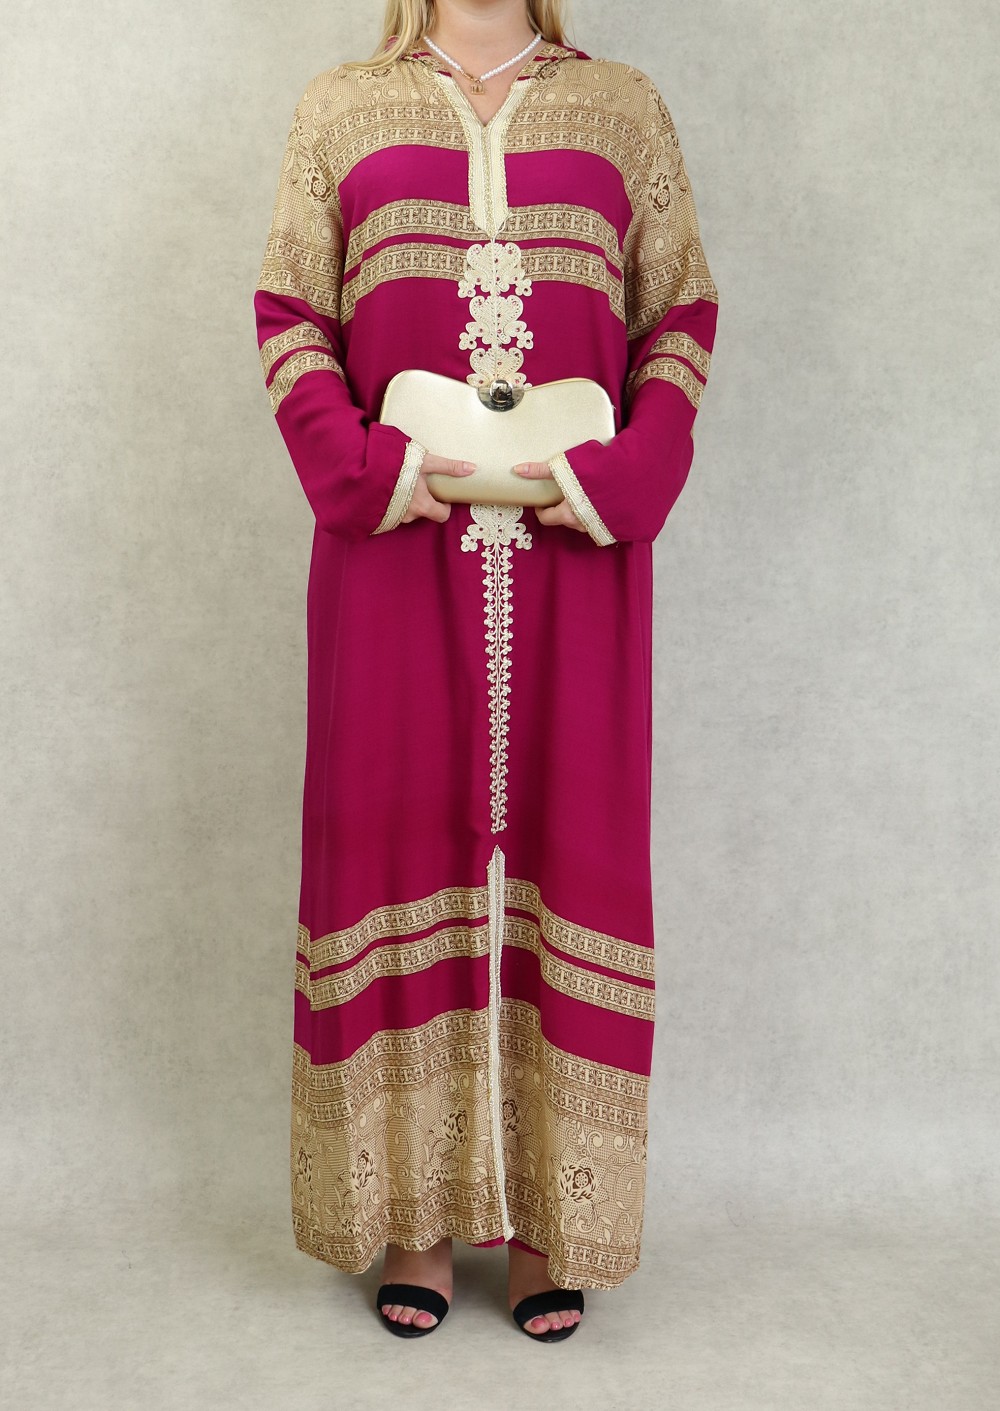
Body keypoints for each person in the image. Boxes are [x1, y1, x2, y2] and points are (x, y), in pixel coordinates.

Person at [253, 0, 718, 1342]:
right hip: (393, 560)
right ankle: (410, 1219)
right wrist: (369, 470)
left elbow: (679, 319)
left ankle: (550, 1222)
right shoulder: (341, 108)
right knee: (394, 845)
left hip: (576, 562)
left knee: (570, 850)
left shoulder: (624, 109)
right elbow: (290, 317)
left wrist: (626, 479)